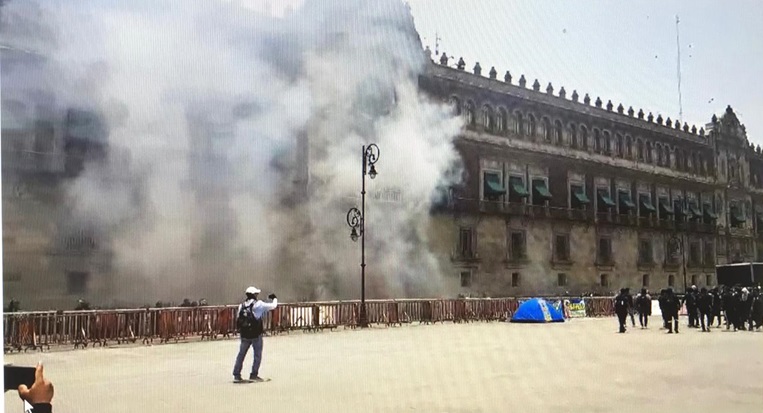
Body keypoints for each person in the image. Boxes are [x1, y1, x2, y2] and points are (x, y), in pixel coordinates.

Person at [232, 286, 278, 382]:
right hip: (256, 334)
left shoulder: (242, 305)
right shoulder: (258, 304)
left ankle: (236, 374)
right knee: (257, 355)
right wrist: (274, 298)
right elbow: (273, 306)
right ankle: (254, 374)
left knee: (241, 355)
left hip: (244, 335)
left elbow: (238, 319)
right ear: (254, 295)